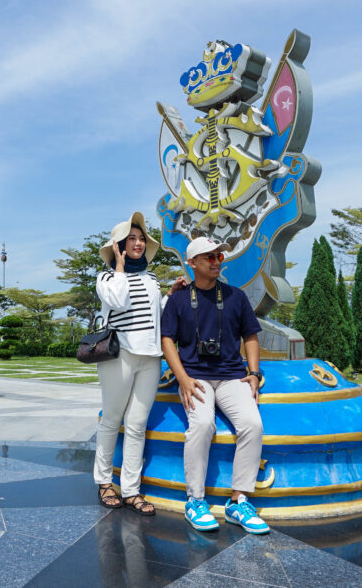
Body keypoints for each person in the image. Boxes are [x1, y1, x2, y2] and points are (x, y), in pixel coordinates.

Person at [160, 236, 270, 535]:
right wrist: (182, 378)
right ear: (192, 263)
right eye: (209, 257)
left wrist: (254, 372)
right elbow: (167, 340)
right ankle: (195, 500)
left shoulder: (236, 296)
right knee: (202, 424)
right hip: (195, 377)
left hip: (232, 376)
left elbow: (250, 336)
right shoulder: (178, 299)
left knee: (252, 424)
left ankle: (238, 501)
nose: (216, 261)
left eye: (219, 256)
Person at [94, 211, 187, 516]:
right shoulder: (106, 278)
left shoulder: (151, 278)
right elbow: (118, 301)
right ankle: (104, 482)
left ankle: (131, 490)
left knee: (137, 425)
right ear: (118, 246)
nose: (138, 243)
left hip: (150, 357)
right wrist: (120, 268)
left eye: (141, 239)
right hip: (119, 355)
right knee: (112, 419)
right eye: (131, 239)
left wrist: (170, 295)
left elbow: (155, 316)